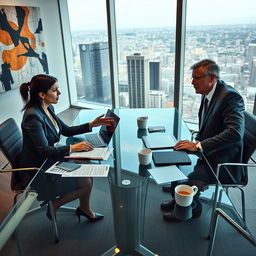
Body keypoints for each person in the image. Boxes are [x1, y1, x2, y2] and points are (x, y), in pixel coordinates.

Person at [19, 74, 113, 222]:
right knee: (86, 182)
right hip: (39, 169)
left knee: (87, 167)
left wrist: (91, 125)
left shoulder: (47, 109)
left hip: (50, 159)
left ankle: (84, 208)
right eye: (55, 90)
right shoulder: (33, 117)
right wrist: (73, 147)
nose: (59, 93)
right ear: (42, 94)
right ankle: (55, 206)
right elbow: (43, 151)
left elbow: (65, 130)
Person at [161, 59, 245, 222]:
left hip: (222, 161)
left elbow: (235, 133)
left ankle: (191, 207)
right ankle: (178, 197)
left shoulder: (230, 97)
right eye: (192, 78)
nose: (192, 82)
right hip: (208, 153)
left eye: (197, 78)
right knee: (175, 153)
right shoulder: (208, 92)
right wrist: (195, 143)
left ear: (212, 78)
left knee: (192, 177)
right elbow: (211, 125)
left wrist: (198, 145)